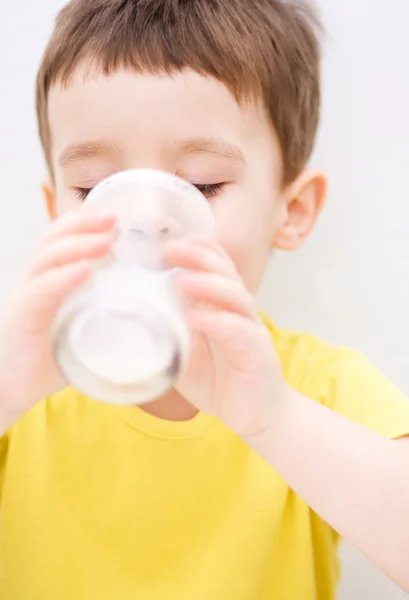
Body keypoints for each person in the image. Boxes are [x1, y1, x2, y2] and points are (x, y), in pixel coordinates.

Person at [1, 0, 409, 598]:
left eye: (199, 185)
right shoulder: (22, 388)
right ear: (53, 211)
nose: (143, 220)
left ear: (290, 212)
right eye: (94, 189)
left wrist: (276, 421)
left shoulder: (316, 388)